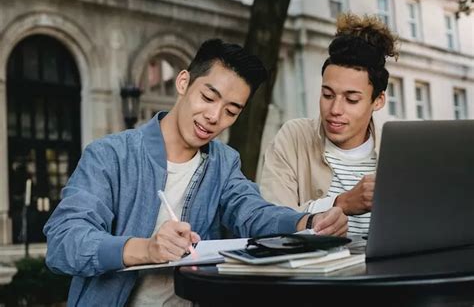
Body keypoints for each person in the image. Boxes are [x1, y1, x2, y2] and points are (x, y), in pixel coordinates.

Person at [43, 38, 348, 306]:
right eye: (208, 97)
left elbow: (253, 213)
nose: (214, 117)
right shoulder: (110, 155)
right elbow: (63, 241)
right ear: (183, 82)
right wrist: (146, 249)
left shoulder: (223, 163)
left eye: (231, 111)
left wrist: (308, 221)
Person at [260, 13, 399, 237]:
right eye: (327, 94)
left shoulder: (397, 153)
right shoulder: (294, 138)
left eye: (351, 99)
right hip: (313, 270)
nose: (335, 109)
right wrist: (340, 203)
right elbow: (268, 219)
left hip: (385, 270)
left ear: (378, 101)